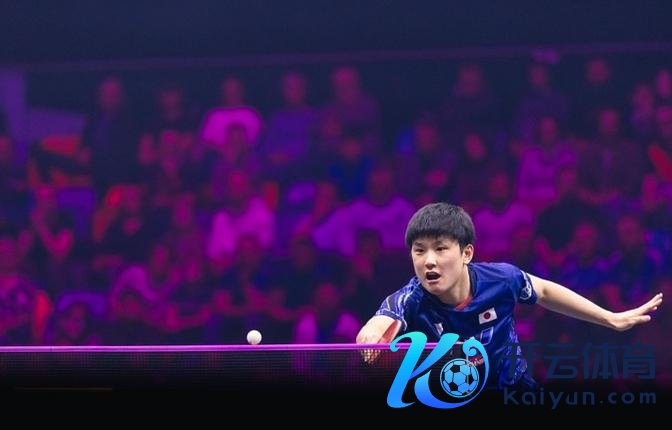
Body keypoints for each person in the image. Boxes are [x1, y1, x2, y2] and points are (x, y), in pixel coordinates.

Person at [356, 203, 663, 390]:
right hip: (451, 400)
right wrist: (369, 336)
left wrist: (610, 318)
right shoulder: (410, 299)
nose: (429, 261)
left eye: (440, 248)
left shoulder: (501, 280)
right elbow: (380, 322)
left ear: (466, 253)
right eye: (419, 251)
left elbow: (544, 290)